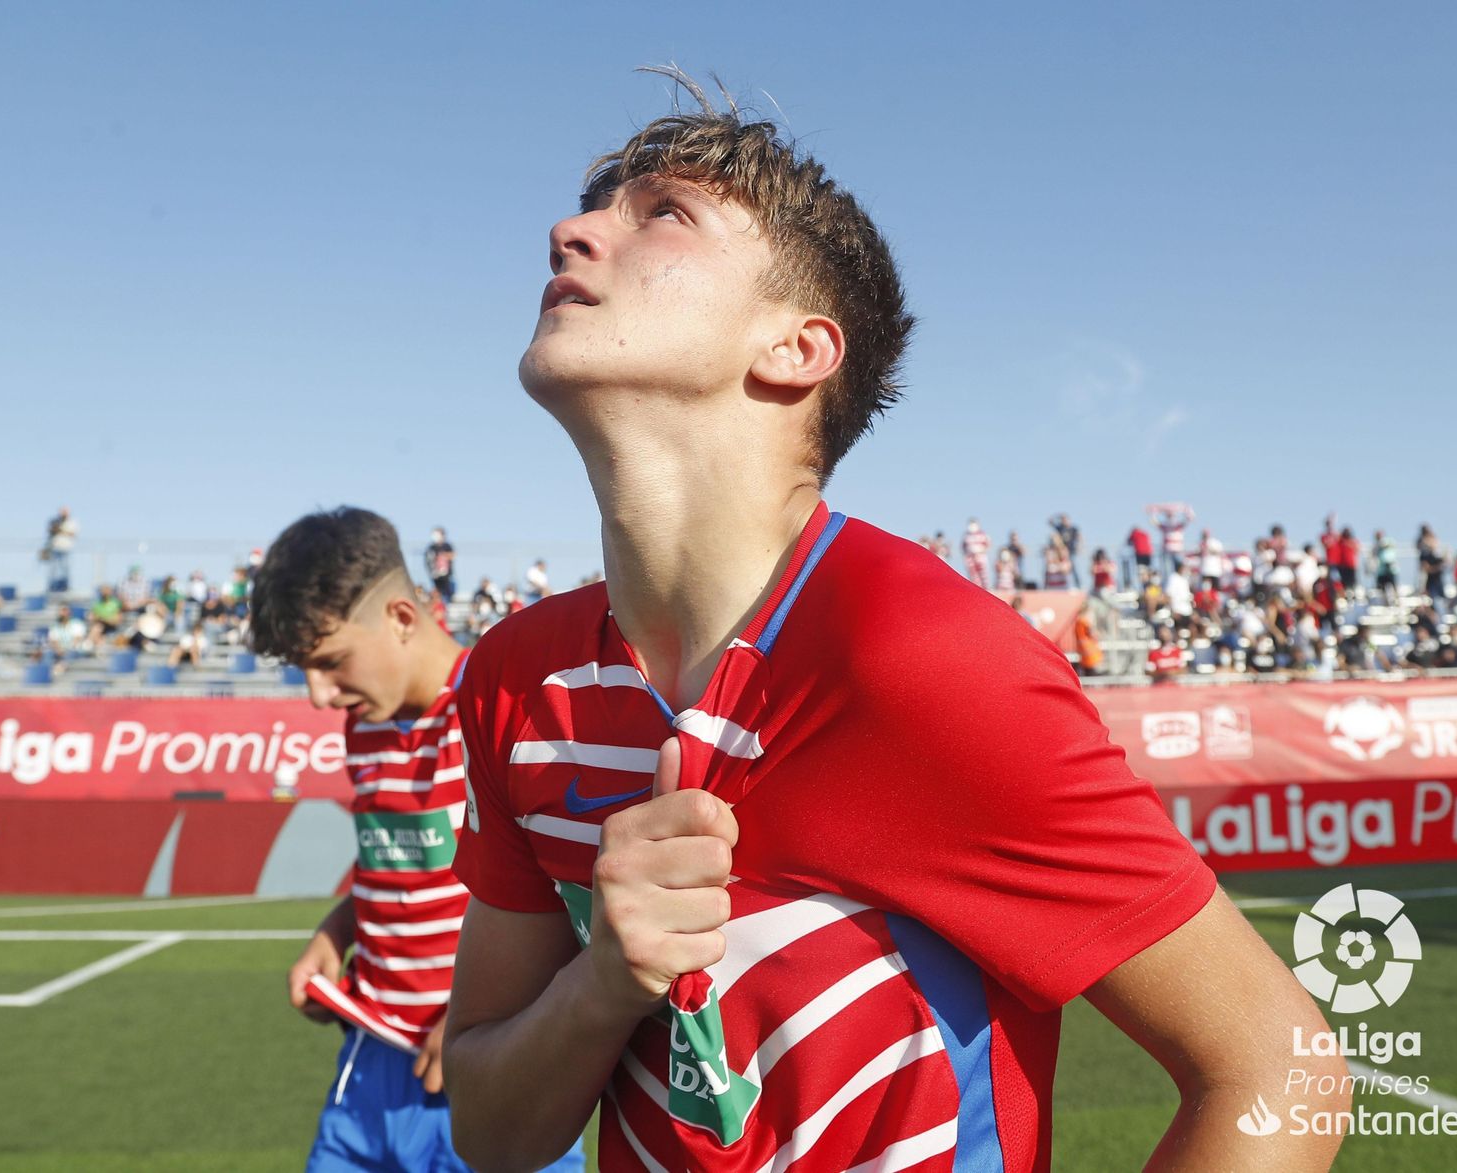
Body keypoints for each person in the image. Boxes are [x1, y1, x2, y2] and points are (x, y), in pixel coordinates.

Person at [441, 78, 1345, 1172]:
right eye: (598, 208)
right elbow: (488, 1135)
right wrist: (599, 986)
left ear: (796, 349)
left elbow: (1280, 1067)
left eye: (662, 212)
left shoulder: (919, 656)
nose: (570, 228)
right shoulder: (510, 681)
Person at [247, 507, 583, 1173]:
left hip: (488, 1069)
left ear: (401, 616)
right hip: (369, 1063)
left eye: (330, 661)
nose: (318, 695)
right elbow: (393, 864)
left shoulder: (507, 708)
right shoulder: (363, 723)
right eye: (303, 669)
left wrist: (483, 1018)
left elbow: (572, 902)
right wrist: (335, 932)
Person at [43, 506, 78, 592]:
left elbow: (72, 534)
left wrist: (60, 530)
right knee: (53, 569)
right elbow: (50, 531)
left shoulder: (72, 522)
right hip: (55, 547)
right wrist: (54, 529)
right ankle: (51, 587)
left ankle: (66, 586)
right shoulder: (56, 521)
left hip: (66, 548)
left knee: (65, 568)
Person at [425, 527, 457, 601]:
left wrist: (443, 556)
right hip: (436, 577)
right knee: (437, 595)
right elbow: (428, 560)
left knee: (448, 594)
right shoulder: (431, 547)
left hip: (447, 577)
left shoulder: (447, 546)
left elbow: (452, 555)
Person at [960, 518, 989, 587]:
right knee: (973, 575)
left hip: (980, 556)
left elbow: (987, 544)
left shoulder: (982, 534)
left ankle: (986, 588)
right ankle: (977, 588)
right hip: (970, 557)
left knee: (983, 574)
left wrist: (980, 552)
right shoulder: (966, 535)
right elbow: (963, 547)